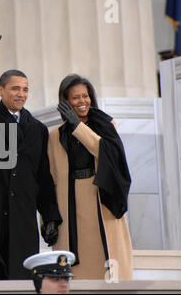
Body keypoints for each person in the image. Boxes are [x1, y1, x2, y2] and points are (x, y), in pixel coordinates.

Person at [0, 21, 62, 280]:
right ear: (0, 90)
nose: (21, 94)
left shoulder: (37, 129)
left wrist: (50, 216)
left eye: (25, 89)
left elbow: (42, 176)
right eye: (15, 88)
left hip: (24, 219)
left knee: (23, 278)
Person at [48, 73, 133, 280]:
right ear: (65, 102)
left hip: (102, 203)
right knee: (77, 274)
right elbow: (50, 180)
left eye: (85, 96)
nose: (82, 101)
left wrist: (77, 126)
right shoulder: (55, 135)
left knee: (109, 270)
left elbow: (104, 152)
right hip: (70, 207)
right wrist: (48, 219)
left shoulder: (105, 126)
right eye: (75, 97)